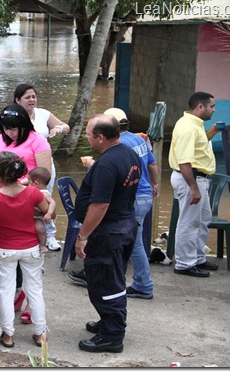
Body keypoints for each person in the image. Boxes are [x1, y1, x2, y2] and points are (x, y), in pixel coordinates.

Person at [73, 114, 141, 353]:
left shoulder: (107, 164)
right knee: (113, 278)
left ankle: (112, 335)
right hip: (125, 226)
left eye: (89, 134)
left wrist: (82, 236)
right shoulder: (129, 154)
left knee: (104, 283)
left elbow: (100, 205)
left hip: (109, 232)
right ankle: (108, 321)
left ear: (100, 138)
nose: (87, 137)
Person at [0, 151, 49, 349]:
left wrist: (2, 218)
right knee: (35, 291)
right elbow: (46, 211)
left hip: (5, 249)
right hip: (31, 247)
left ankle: (8, 334)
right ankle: (40, 334)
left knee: (6, 291)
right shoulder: (33, 193)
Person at [104, 107, 159, 300]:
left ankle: (143, 284)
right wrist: (155, 184)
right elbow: (152, 164)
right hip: (145, 195)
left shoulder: (119, 144)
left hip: (133, 197)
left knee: (134, 244)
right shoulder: (138, 139)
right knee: (133, 241)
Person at [168, 92, 220, 278]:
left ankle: (197, 257)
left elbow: (197, 148)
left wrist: (212, 132)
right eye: (211, 106)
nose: (214, 110)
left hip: (198, 178)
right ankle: (184, 263)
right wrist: (193, 188)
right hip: (191, 178)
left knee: (202, 219)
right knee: (189, 222)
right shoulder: (188, 128)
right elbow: (184, 161)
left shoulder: (194, 125)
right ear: (200, 107)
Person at [0, 104, 56, 249]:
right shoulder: (1, 140)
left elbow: (44, 173)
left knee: (28, 235)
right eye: (6, 129)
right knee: (7, 233)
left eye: (13, 129)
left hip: (27, 195)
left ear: (24, 125)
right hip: (2, 195)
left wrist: (16, 184)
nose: (10, 133)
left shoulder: (38, 141)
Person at [0, 83, 70, 192]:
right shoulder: (8, 117)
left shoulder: (42, 116)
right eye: (27, 97)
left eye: (33, 97)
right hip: (6, 186)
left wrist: (58, 128)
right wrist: (4, 146)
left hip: (38, 163)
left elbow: (66, 127)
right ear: (17, 100)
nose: (31, 100)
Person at [27, 167, 57, 255]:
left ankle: (43, 245)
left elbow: (53, 203)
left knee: (40, 228)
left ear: (35, 183)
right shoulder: (32, 191)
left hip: (38, 217)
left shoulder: (44, 193)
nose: (28, 185)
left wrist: (49, 213)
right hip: (30, 216)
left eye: (29, 183)